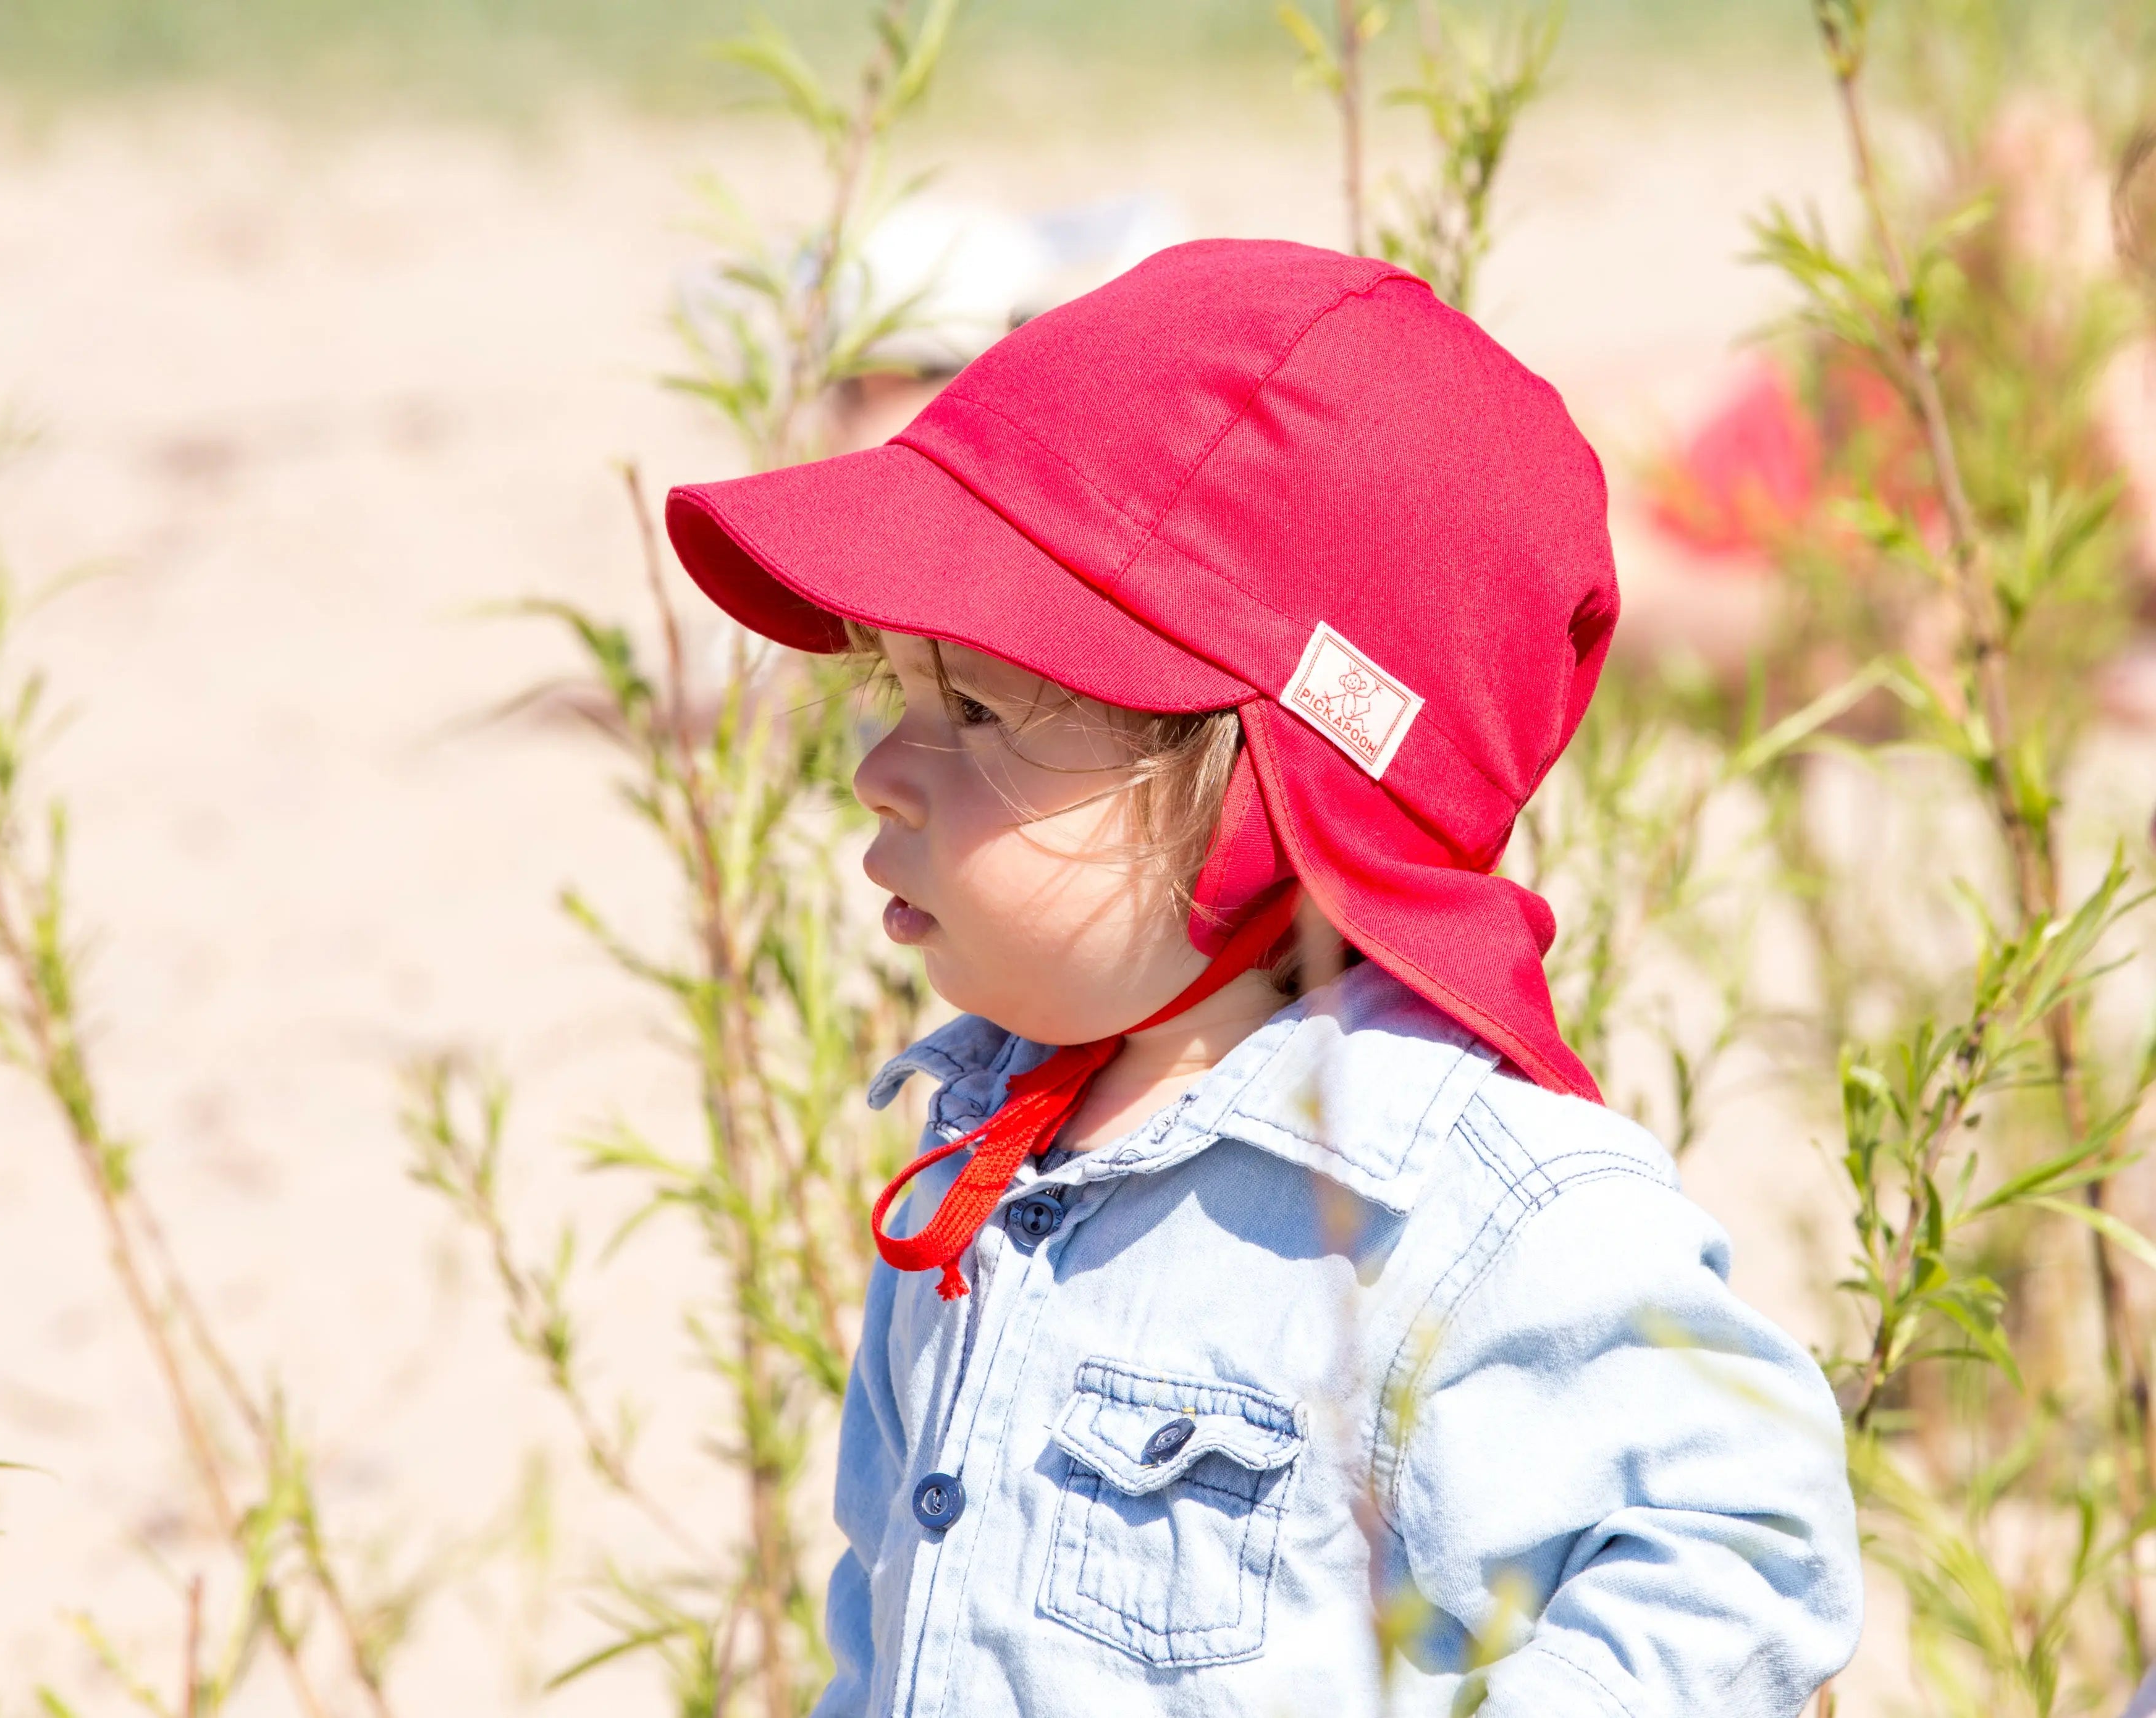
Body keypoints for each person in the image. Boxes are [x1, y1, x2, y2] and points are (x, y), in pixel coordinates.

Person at [665, 239, 1861, 1718]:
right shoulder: (970, 1156)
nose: (875, 773)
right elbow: (889, 1613)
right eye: (891, 694)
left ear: (1267, 781)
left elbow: (1743, 1540)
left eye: (971, 706)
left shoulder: (1460, 1210)